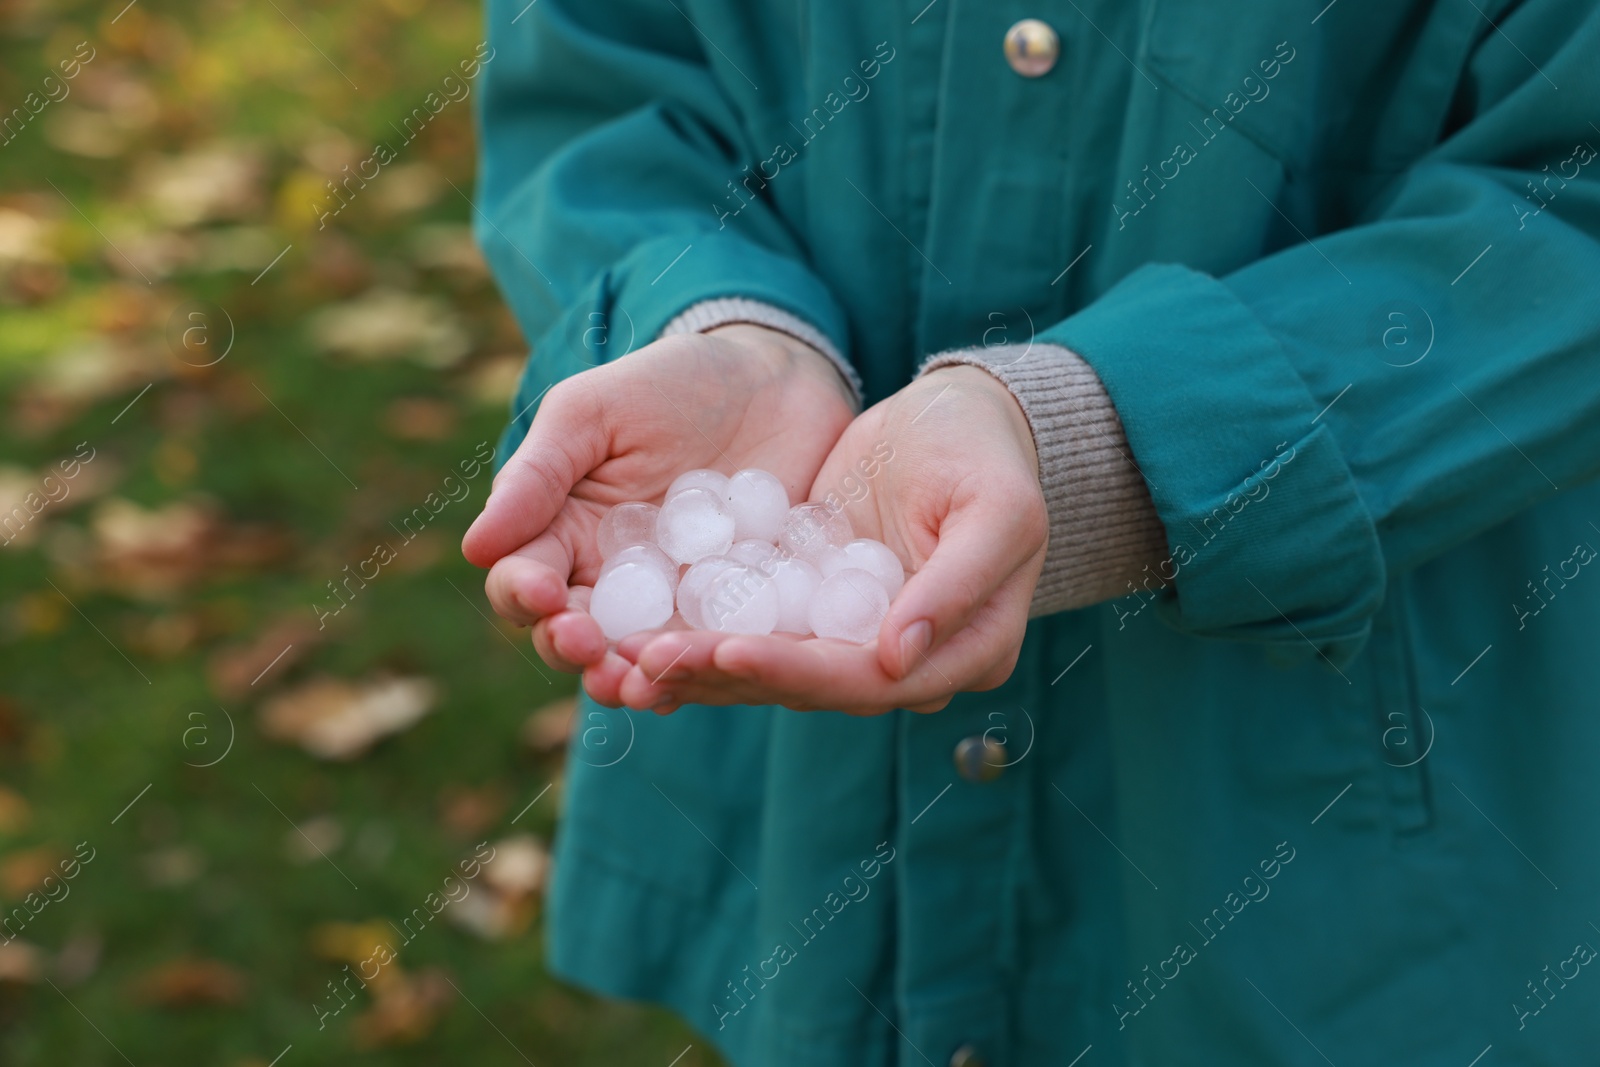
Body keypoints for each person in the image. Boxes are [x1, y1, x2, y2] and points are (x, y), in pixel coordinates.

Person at [463, 1, 1600, 1063]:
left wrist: (1105, 438)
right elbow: (593, 81)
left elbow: (1570, 189)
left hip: (1347, 781)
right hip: (812, 783)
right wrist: (718, 317)